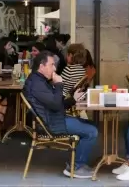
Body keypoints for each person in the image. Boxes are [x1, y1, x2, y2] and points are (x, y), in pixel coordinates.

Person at [24, 51, 96, 179]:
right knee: (91, 131)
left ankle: (78, 162)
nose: (55, 68)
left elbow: (56, 104)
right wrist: (58, 84)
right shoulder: (37, 84)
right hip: (52, 124)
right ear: (42, 66)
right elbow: (56, 105)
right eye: (52, 65)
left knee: (90, 124)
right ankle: (76, 167)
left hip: (55, 118)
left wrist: (73, 99)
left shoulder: (39, 80)